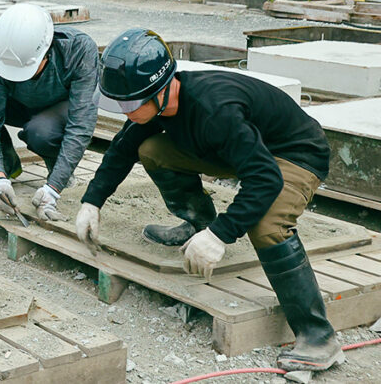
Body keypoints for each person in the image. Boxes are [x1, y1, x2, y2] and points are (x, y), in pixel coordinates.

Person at [75, 28, 342, 372]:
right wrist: (91, 201)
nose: (125, 112)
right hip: (244, 148)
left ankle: (318, 336)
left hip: (292, 155)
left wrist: (222, 234)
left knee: (267, 224)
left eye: (130, 104)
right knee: (150, 149)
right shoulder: (154, 105)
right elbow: (123, 149)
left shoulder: (214, 109)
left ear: (160, 89)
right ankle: (197, 224)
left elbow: (265, 178)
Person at [0, 2, 98, 221]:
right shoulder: (4, 53)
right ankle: (7, 165)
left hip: (57, 112)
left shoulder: (79, 50)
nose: (21, 77)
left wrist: (53, 188)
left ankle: (59, 172)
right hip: (21, 104)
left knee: (41, 131)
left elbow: (81, 126)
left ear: (47, 50)